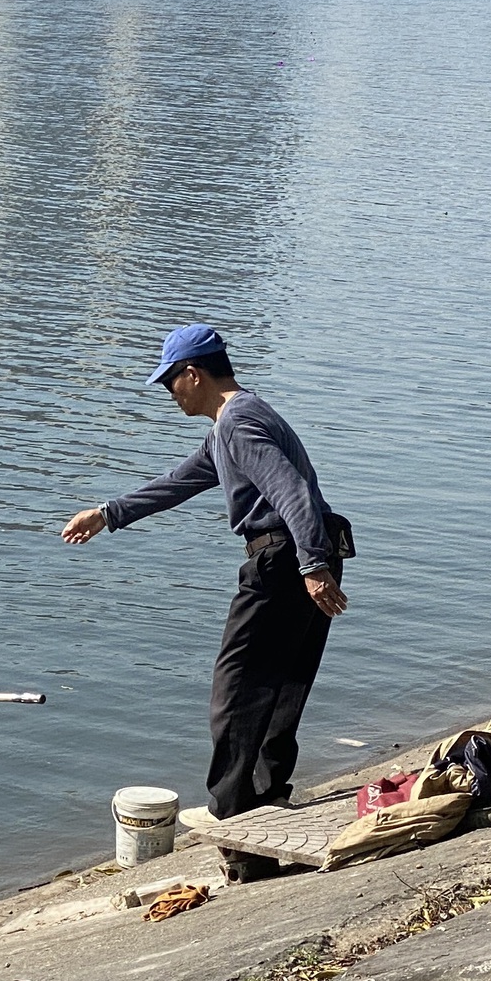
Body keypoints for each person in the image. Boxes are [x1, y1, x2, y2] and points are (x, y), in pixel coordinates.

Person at [61, 323, 349, 844]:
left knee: (235, 686)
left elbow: (291, 494)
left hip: (285, 558)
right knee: (283, 680)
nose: (169, 393)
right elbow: (180, 481)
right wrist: (107, 514)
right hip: (307, 552)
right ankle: (267, 791)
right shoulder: (231, 425)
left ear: (192, 374)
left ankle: (233, 810)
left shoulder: (237, 422)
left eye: (170, 381)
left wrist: (311, 567)